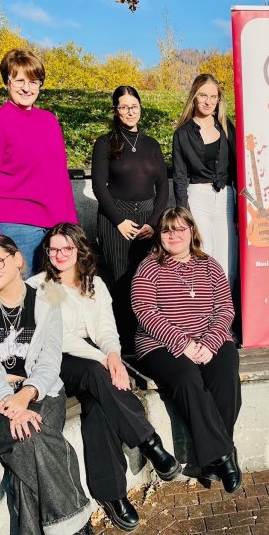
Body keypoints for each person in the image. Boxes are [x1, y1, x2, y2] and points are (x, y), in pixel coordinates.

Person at [29, 223, 181, 532]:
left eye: (66, 248)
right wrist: (104, 360)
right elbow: (62, 339)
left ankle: (112, 494)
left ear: (79, 250)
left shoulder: (95, 283)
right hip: (53, 361)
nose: (59, 254)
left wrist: (113, 355)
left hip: (92, 361)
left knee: (100, 408)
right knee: (94, 372)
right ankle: (150, 443)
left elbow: (107, 329)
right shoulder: (40, 287)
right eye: (53, 249)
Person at [0, 235, 92, 535]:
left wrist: (26, 394)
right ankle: (78, 526)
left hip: (40, 393)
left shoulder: (47, 300)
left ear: (17, 259)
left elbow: (49, 359)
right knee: (31, 438)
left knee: (27, 447)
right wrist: (9, 402)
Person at [131, 206, 242, 493]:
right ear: (160, 236)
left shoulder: (210, 265)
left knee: (225, 378)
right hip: (160, 344)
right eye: (167, 230)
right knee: (187, 379)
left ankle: (210, 459)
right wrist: (183, 343)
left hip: (211, 339)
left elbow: (225, 309)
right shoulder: (150, 267)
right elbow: (144, 310)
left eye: (181, 228)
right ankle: (224, 456)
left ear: (192, 231)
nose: (174, 235)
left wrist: (210, 342)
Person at [0, 49, 78, 277]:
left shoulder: (49, 121)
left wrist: (72, 227)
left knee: (53, 299)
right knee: (22, 300)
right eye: (19, 80)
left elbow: (60, 177)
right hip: (16, 227)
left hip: (56, 227)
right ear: (6, 83)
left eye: (33, 81)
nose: (26, 88)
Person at [91, 86, 169, 355]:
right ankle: (124, 344)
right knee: (122, 281)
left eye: (133, 106)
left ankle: (147, 338)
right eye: (123, 107)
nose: (129, 111)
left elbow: (163, 188)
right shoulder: (105, 143)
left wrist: (154, 221)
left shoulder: (151, 144)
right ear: (115, 110)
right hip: (116, 219)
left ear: (140, 108)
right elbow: (100, 187)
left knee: (147, 280)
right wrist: (119, 221)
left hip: (148, 219)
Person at [172, 74, 238, 289]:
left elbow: (238, 169)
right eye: (203, 95)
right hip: (198, 197)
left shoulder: (226, 127)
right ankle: (205, 316)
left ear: (219, 100)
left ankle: (226, 320)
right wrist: (184, 215)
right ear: (194, 97)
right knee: (204, 256)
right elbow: (180, 177)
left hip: (226, 198)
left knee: (229, 261)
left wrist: (239, 210)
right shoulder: (182, 134)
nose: (208, 101)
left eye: (213, 96)